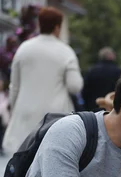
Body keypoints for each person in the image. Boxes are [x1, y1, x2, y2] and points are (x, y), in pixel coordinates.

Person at [2, 7, 83, 155]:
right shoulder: (66, 52)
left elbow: (14, 86)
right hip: (55, 116)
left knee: (22, 163)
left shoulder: (23, 49)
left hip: (25, 113)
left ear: (40, 24)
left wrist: (16, 110)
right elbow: (75, 86)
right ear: (57, 27)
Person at [82, 47, 121, 111]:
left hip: (93, 107)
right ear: (111, 56)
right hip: (112, 107)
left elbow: (85, 91)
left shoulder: (91, 71)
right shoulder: (119, 72)